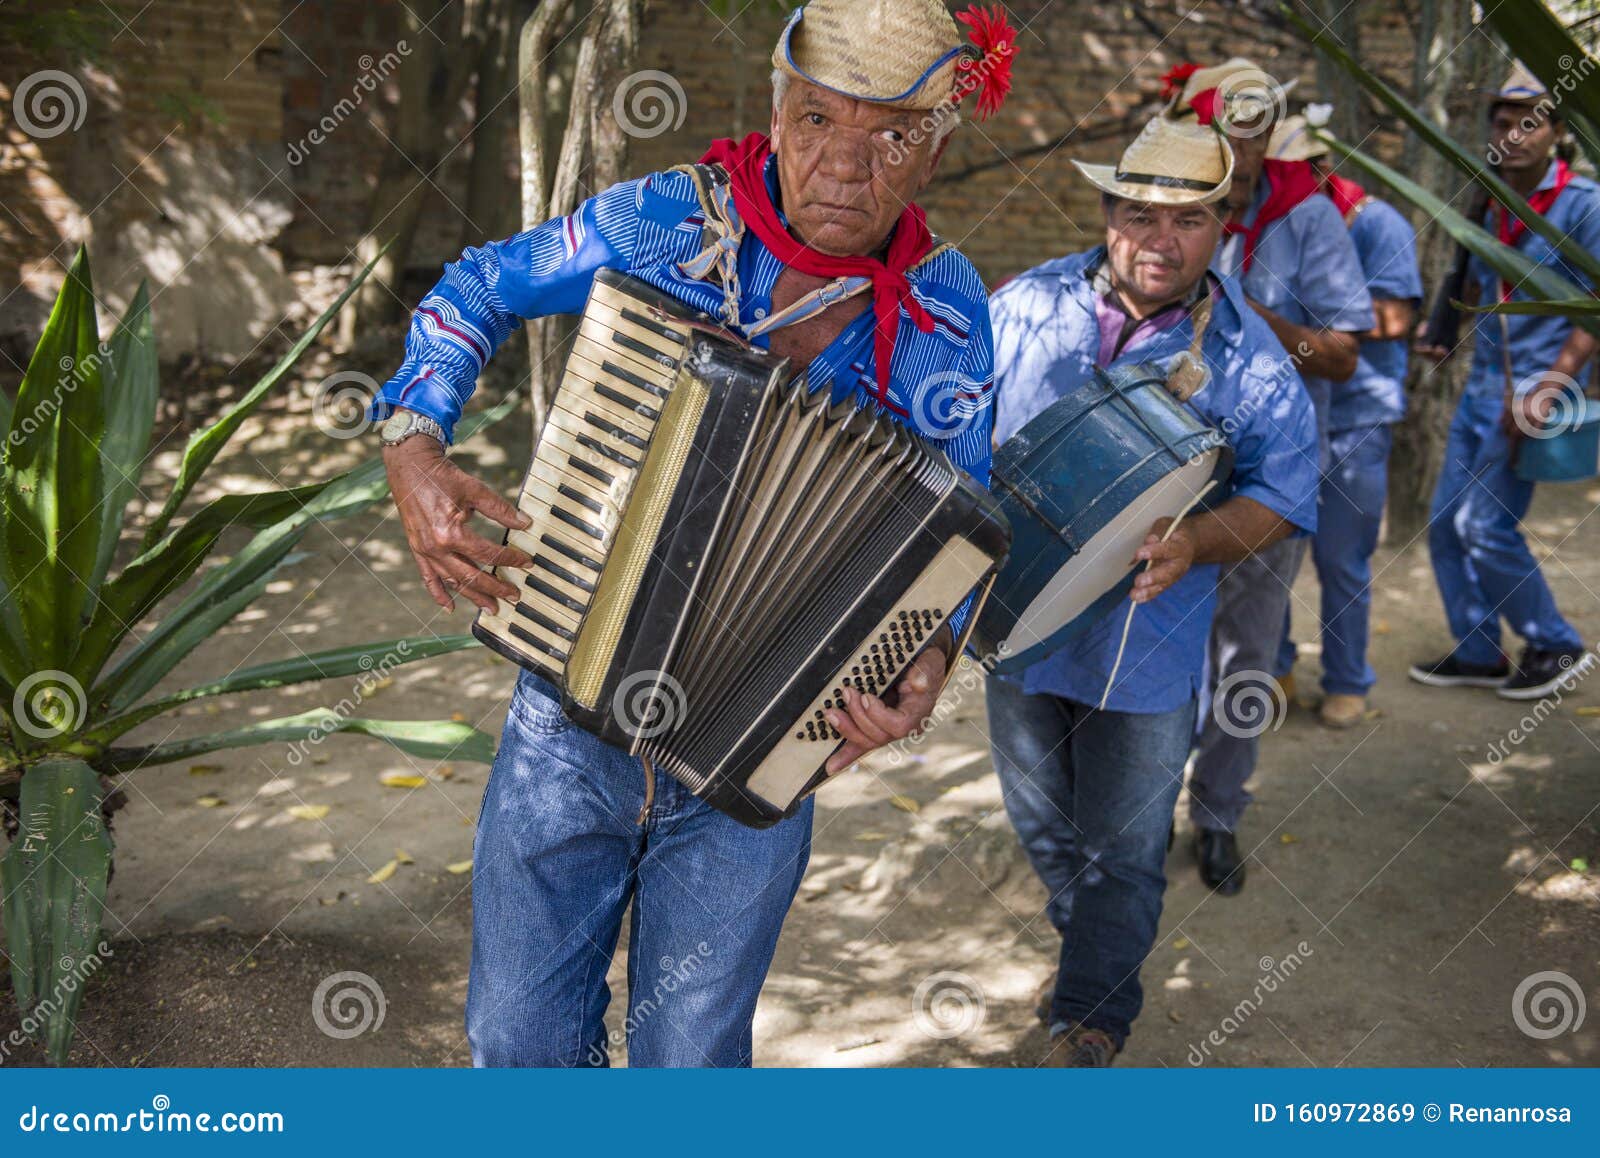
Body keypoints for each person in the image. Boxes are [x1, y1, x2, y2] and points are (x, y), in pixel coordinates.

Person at [370, 0, 1017, 1066]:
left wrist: (929, 654)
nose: (844, 167)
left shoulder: (946, 310)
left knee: (693, 1056)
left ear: (936, 151)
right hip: (569, 714)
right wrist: (412, 445)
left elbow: (959, 522)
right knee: (515, 1042)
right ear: (774, 113)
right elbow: (477, 285)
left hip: (758, 746)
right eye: (816, 121)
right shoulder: (670, 221)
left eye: (889, 135)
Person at [986, 113, 1319, 1066]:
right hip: (1018, 628)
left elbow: (1284, 493)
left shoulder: (1252, 357)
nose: (1157, 239)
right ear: (1106, 213)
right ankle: (1088, 940)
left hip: (1147, 647)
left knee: (1126, 849)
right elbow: (955, 430)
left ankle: (1093, 1017)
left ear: (1221, 227)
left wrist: (1197, 540)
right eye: (1138, 212)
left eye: (1185, 220)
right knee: (1043, 824)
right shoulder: (1024, 306)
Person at [1167, 60, 1375, 893]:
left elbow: (1344, 354)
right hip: (1166, 473)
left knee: (1245, 662)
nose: (1240, 144)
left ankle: (1218, 815)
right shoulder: (1170, 206)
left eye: (1255, 125)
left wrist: (1246, 320)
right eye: (1224, 123)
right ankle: (1142, 810)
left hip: (1268, 483)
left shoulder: (1309, 217)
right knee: (1156, 650)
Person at [1411, 63, 1598, 701]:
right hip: (1481, 382)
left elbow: (1597, 309)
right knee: (1442, 525)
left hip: (1532, 388)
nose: (1512, 134)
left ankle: (1554, 642)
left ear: (1557, 135)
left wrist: (1554, 385)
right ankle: (1479, 650)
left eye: (1529, 123)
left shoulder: (1583, 205)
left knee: (1485, 527)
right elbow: (1472, 274)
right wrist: (1443, 323)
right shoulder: (1489, 198)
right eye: (1501, 122)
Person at [1267, 112, 1422, 728]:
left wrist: (1311, 321)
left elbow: (1394, 318)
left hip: (1356, 416)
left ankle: (1347, 678)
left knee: (1340, 559)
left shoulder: (1377, 223)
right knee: (1267, 556)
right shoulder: (1268, 223)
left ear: (1321, 168)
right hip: (1285, 415)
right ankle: (1271, 669)